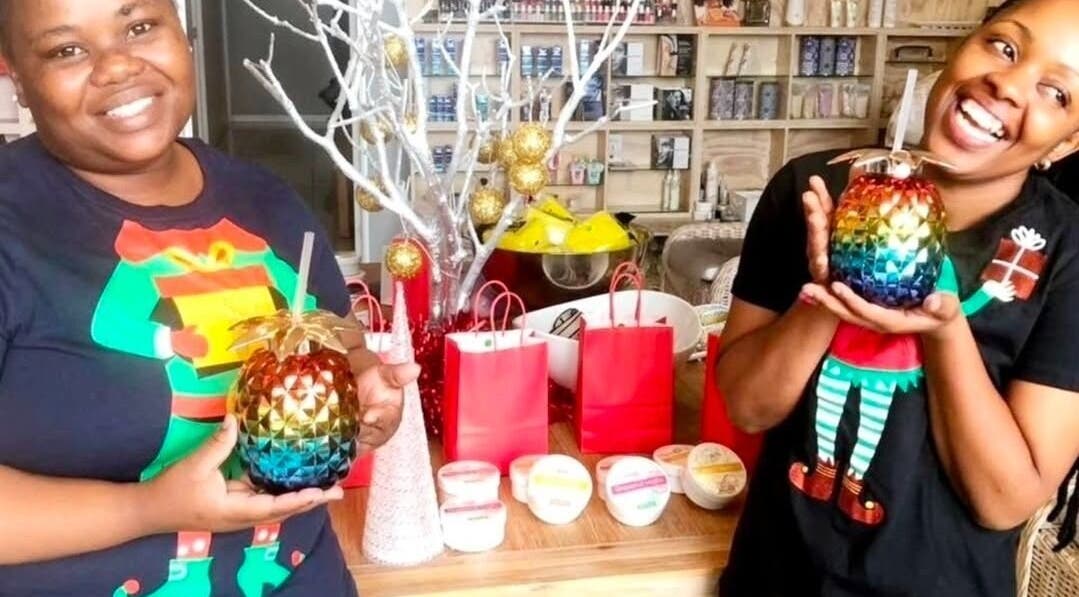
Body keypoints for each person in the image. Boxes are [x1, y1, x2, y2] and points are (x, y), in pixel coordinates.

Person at [0, 0, 419, 595]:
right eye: (67, 49)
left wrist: (365, 384)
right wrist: (146, 510)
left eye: (139, 27)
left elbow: (342, 346)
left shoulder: (265, 200)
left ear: (182, 34)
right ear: (16, 75)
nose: (117, 67)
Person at [715, 0, 1079, 594]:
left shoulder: (1066, 255)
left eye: (1056, 93)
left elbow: (1003, 502)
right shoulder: (815, 189)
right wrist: (828, 294)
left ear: (1064, 145)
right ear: (964, 45)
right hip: (775, 577)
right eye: (1004, 46)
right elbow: (747, 408)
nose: (1008, 85)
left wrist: (944, 329)